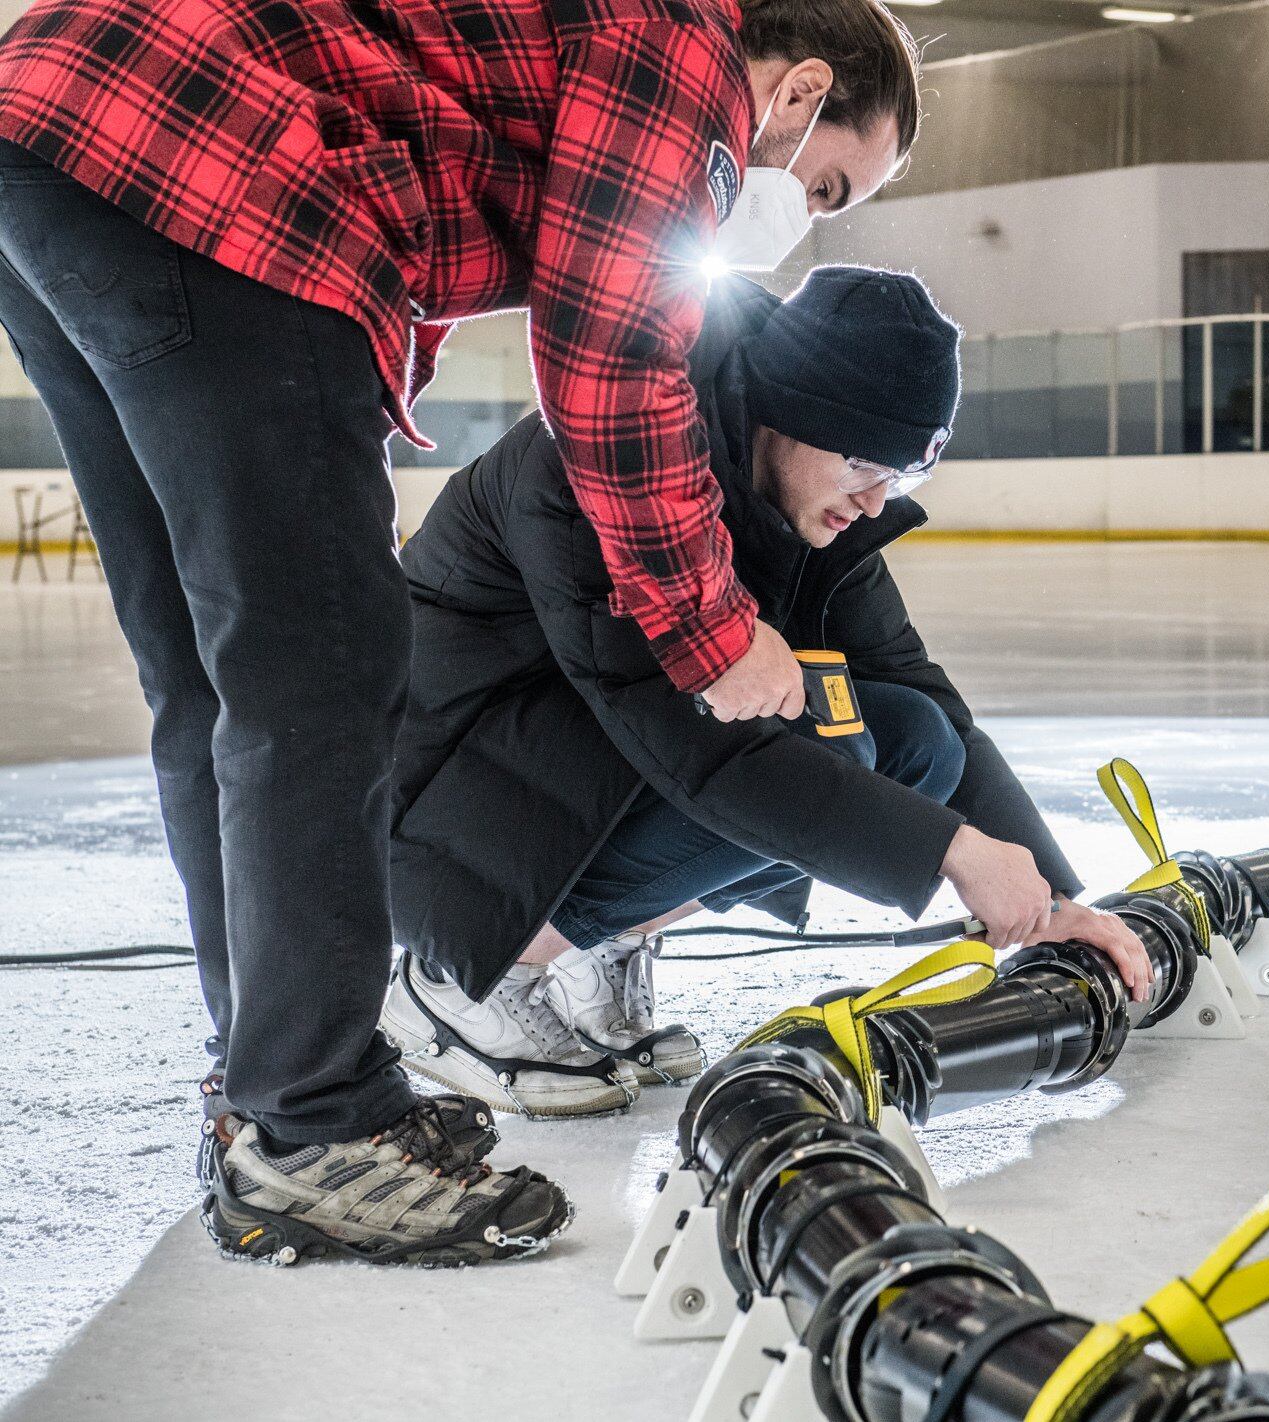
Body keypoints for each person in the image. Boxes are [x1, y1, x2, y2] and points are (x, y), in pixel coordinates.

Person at [0, 0, 921, 1265]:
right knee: (319, 669)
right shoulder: (686, 46)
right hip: (210, 157)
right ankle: (312, 1123)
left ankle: (269, 1087)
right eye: (821, 188)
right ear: (798, 92)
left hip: (61, 130)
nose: (796, 216)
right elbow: (606, 354)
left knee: (216, 679)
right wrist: (712, 632)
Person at [380, 266, 1157, 1118]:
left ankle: (593, 945)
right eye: (861, 461)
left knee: (911, 739)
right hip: (437, 800)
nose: (874, 500)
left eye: (903, 472)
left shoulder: (810, 504)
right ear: (783, 414)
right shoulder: (607, 475)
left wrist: (1048, 897)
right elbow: (696, 753)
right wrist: (956, 853)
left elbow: (913, 684)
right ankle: (462, 978)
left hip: (569, 770)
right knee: (824, 748)